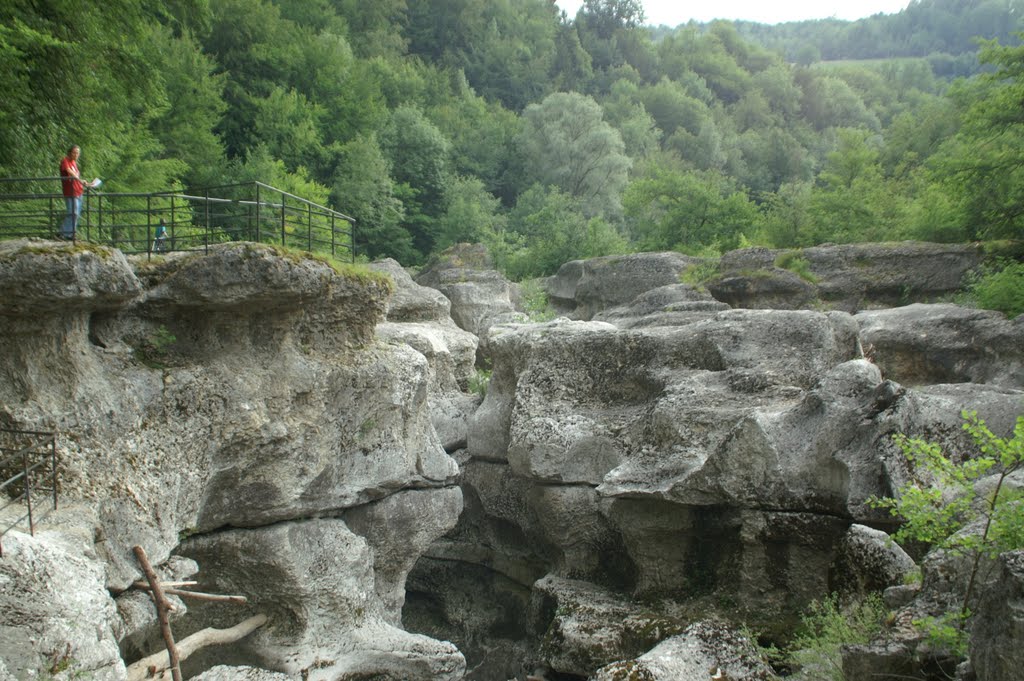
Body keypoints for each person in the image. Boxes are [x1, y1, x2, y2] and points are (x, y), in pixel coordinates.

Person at [58, 145, 98, 240]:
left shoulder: (74, 163)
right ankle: (63, 233)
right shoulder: (65, 161)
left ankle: (71, 234)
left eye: (78, 153)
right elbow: (70, 173)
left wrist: (86, 183)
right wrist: (80, 180)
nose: (76, 155)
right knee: (72, 213)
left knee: (76, 214)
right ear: (70, 153)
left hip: (78, 191)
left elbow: (77, 177)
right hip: (70, 191)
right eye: (74, 152)